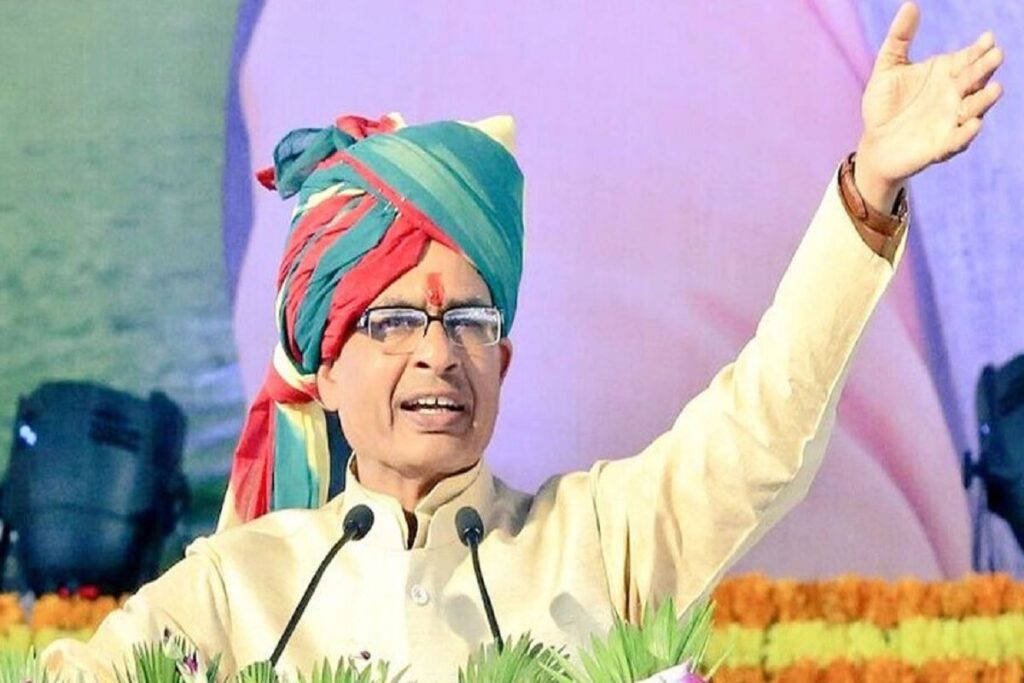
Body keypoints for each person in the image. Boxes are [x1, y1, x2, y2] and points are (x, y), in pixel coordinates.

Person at [42, 3, 1004, 681]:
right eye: (393, 321)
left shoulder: (598, 544)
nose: (437, 353)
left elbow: (764, 423)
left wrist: (869, 188)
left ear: (501, 362)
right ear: (323, 369)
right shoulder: (235, 590)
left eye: (469, 321)